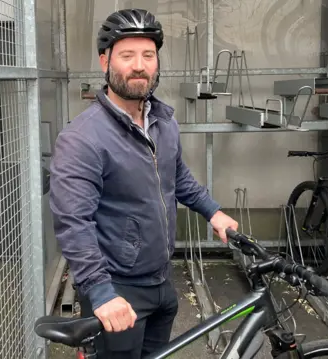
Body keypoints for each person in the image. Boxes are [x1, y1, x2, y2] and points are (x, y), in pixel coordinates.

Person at [49, 8, 239, 359]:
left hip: (161, 280)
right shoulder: (82, 138)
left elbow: (177, 176)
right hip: (117, 289)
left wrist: (214, 213)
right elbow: (74, 223)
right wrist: (101, 292)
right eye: (127, 55)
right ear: (104, 61)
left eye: (148, 55)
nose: (139, 65)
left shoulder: (163, 121)